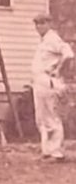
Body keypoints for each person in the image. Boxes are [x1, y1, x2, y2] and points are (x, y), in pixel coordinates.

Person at [30, 13, 73, 161]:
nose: (39, 27)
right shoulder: (43, 41)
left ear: (49, 23)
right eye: (37, 24)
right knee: (42, 117)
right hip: (39, 81)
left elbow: (68, 54)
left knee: (52, 117)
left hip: (49, 81)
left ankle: (57, 152)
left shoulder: (53, 38)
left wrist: (58, 69)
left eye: (42, 23)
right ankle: (47, 151)